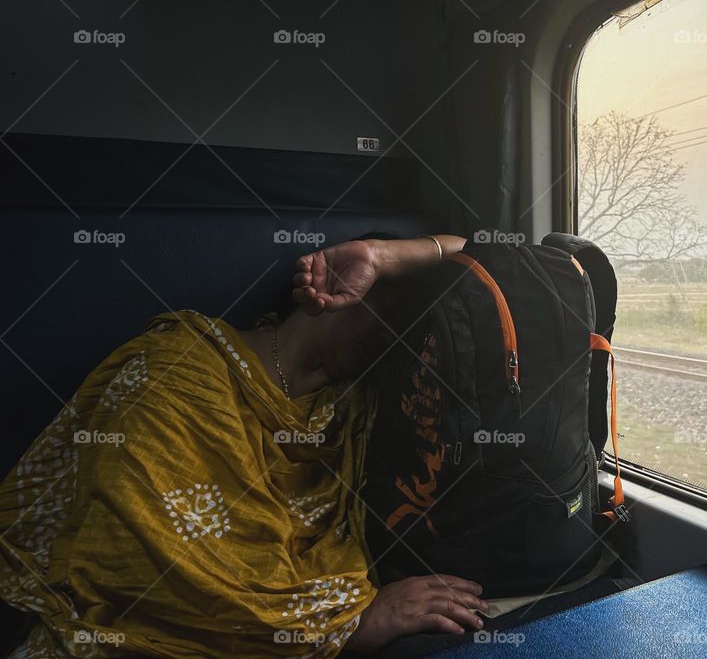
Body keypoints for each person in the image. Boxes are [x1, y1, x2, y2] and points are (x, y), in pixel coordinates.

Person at [0, 235, 483, 658]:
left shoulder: (353, 409)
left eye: (407, 327)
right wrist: (347, 623)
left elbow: (493, 255)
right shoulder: (177, 370)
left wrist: (388, 254)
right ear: (338, 286)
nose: (392, 335)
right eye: (390, 311)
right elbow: (142, 560)